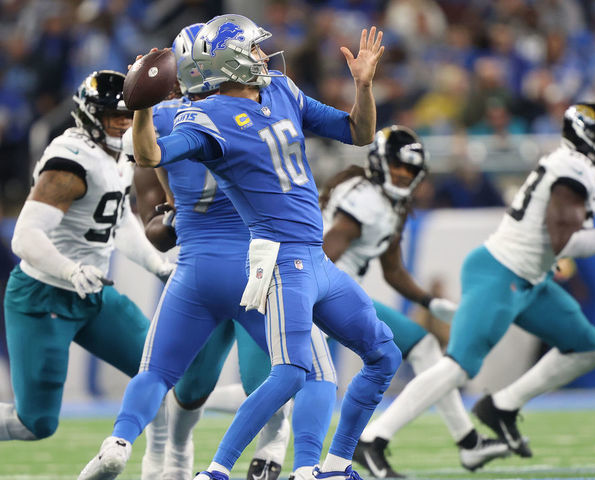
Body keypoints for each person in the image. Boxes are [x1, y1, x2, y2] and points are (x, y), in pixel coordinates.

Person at [130, 14, 401, 480]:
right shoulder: (204, 117)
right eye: (251, 49)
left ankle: (334, 467)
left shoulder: (280, 88)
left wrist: (364, 86)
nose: (262, 55)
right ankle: (216, 471)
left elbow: (358, 132)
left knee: (384, 354)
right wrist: (140, 107)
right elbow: (151, 155)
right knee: (294, 372)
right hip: (280, 262)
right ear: (227, 63)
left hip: (315, 257)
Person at [79, 23, 338, 480]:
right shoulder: (262, 104)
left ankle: (120, 440)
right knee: (304, 372)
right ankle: (301, 464)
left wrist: (142, 104)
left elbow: (148, 173)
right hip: (260, 267)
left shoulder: (164, 120)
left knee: (156, 373)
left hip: (197, 266)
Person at [355, 102, 595, 463]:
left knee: (587, 348)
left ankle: (502, 407)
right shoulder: (573, 170)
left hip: (530, 278)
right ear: (587, 140)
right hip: (500, 272)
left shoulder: (581, 167)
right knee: (457, 366)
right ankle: (373, 437)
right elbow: (566, 243)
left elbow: (556, 241)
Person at [0, 71, 173, 480]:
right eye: (112, 115)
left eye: (126, 114)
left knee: (161, 370)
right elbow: (24, 237)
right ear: (87, 115)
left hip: (93, 292)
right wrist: (68, 268)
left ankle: (161, 470)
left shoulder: (125, 150)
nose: (122, 122)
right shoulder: (70, 161)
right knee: (36, 424)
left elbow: (118, 220)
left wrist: (156, 264)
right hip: (44, 295)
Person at [316, 125, 509, 476]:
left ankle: (467, 443)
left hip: (340, 293)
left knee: (423, 346)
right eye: (398, 165)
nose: (404, 174)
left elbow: (392, 270)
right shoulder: (368, 200)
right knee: (279, 390)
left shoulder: (386, 200)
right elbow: (327, 253)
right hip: (328, 294)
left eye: (410, 170)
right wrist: (302, 299)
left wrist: (430, 302)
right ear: (380, 162)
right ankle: (363, 446)